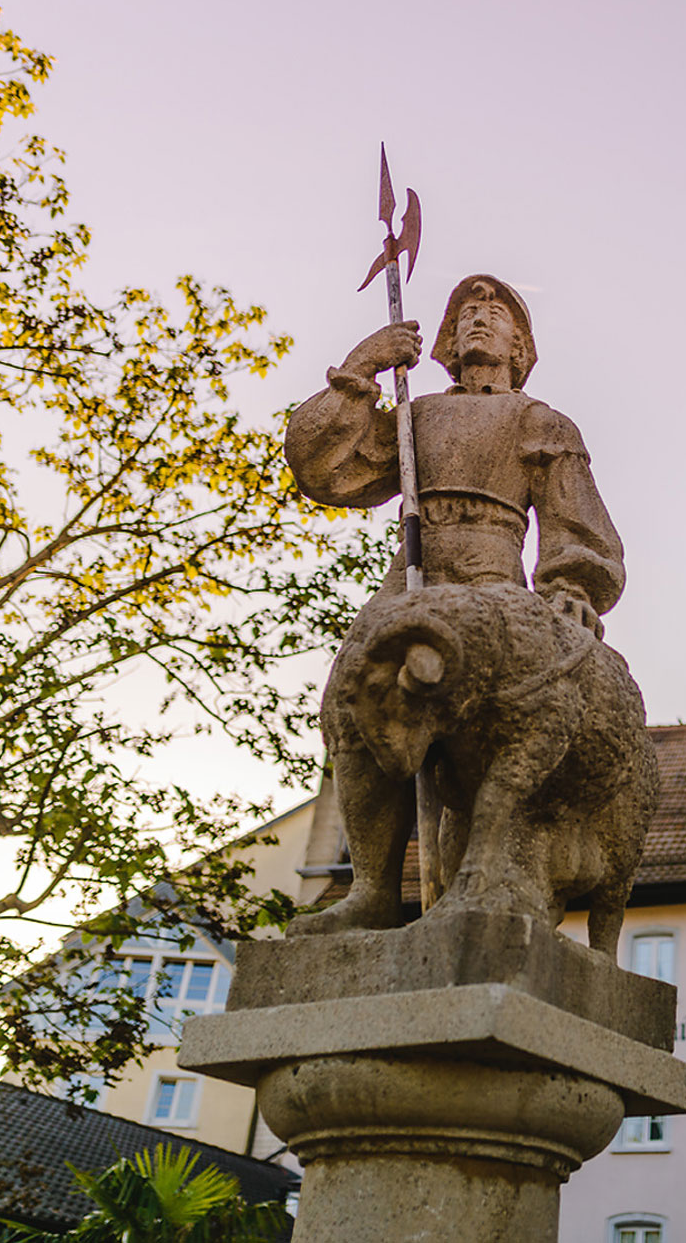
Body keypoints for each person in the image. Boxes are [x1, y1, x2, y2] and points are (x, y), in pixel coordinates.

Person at [283, 275, 626, 928]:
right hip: (410, 581)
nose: (477, 321)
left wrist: (573, 587)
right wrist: (363, 366)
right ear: (442, 338)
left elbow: (576, 525)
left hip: (488, 583)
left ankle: (489, 883)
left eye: (494, 315)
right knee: (353, 708)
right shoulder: (417, 413)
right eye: (466, 312)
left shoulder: (540, 421)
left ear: (520, 345)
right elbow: (328, 468)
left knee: (487, 738)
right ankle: (374, 891)